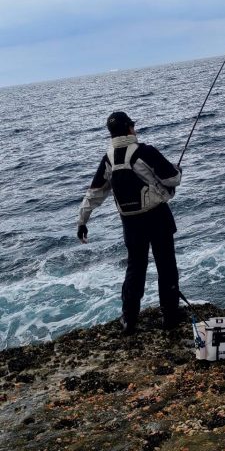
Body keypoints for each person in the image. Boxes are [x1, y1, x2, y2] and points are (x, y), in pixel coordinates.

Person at [77, 111, 183, 334]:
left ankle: (129, 318)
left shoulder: (109, 159)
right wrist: (178, 170)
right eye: (132, 126)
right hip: (158, 217)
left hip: (131, 224)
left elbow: (95, 193)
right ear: (129, 128)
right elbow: (172, 179)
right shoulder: (145, 151)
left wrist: (82, 221)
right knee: (166, 265)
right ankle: (170, 316)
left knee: (135, 268)